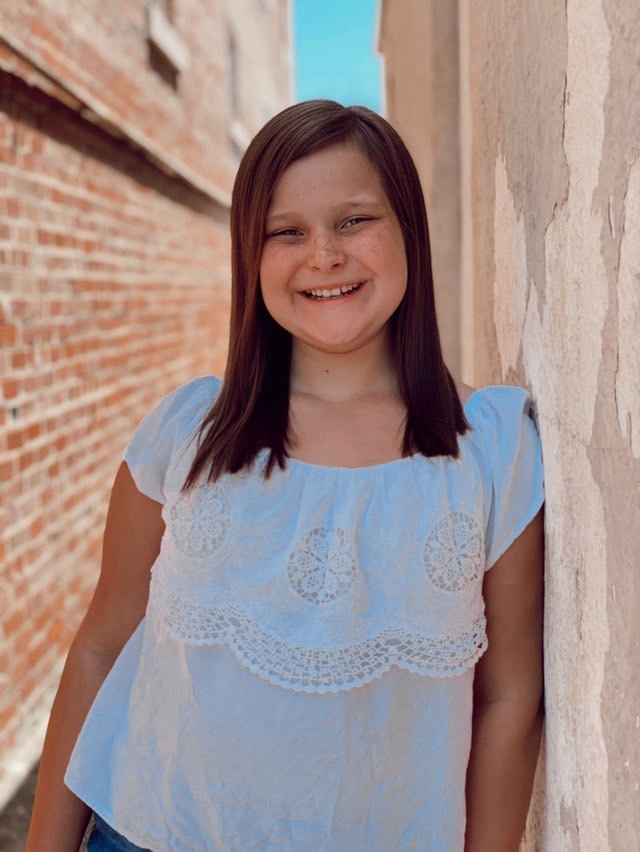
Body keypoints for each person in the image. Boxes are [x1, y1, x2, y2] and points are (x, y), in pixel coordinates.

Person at [26, 99, 544, 851]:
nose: (324, 255)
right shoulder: (189, 433)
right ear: (251, 255)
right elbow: (101, 648)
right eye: (286, 232)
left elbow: (509, 700)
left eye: (354, 220)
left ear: (409, 230)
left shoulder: (491, 450)